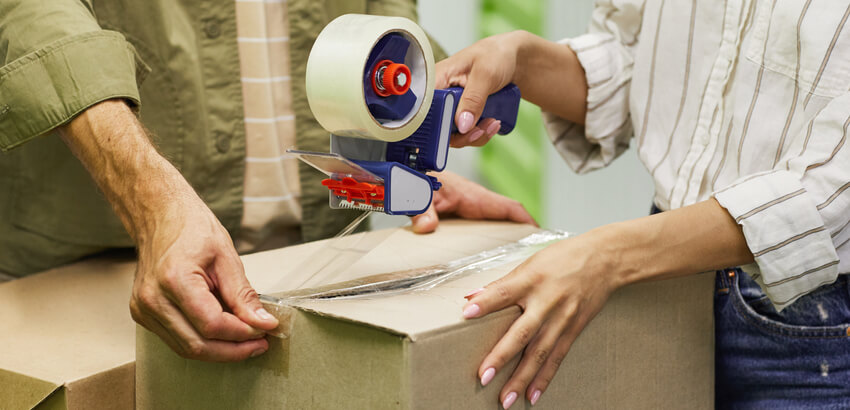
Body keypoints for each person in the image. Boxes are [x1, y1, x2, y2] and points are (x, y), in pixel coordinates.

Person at [0, 0, 533, 362]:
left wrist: (407, 149)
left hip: (319, 273)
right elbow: (35, 15)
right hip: (87, 273)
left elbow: (382, 17)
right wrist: (150, 199)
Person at [441, 1, 850, 408]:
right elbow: (640, 66)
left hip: (810, 329)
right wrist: (522, 61)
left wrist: (608, 255)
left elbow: (830, 191)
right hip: (662, 282)